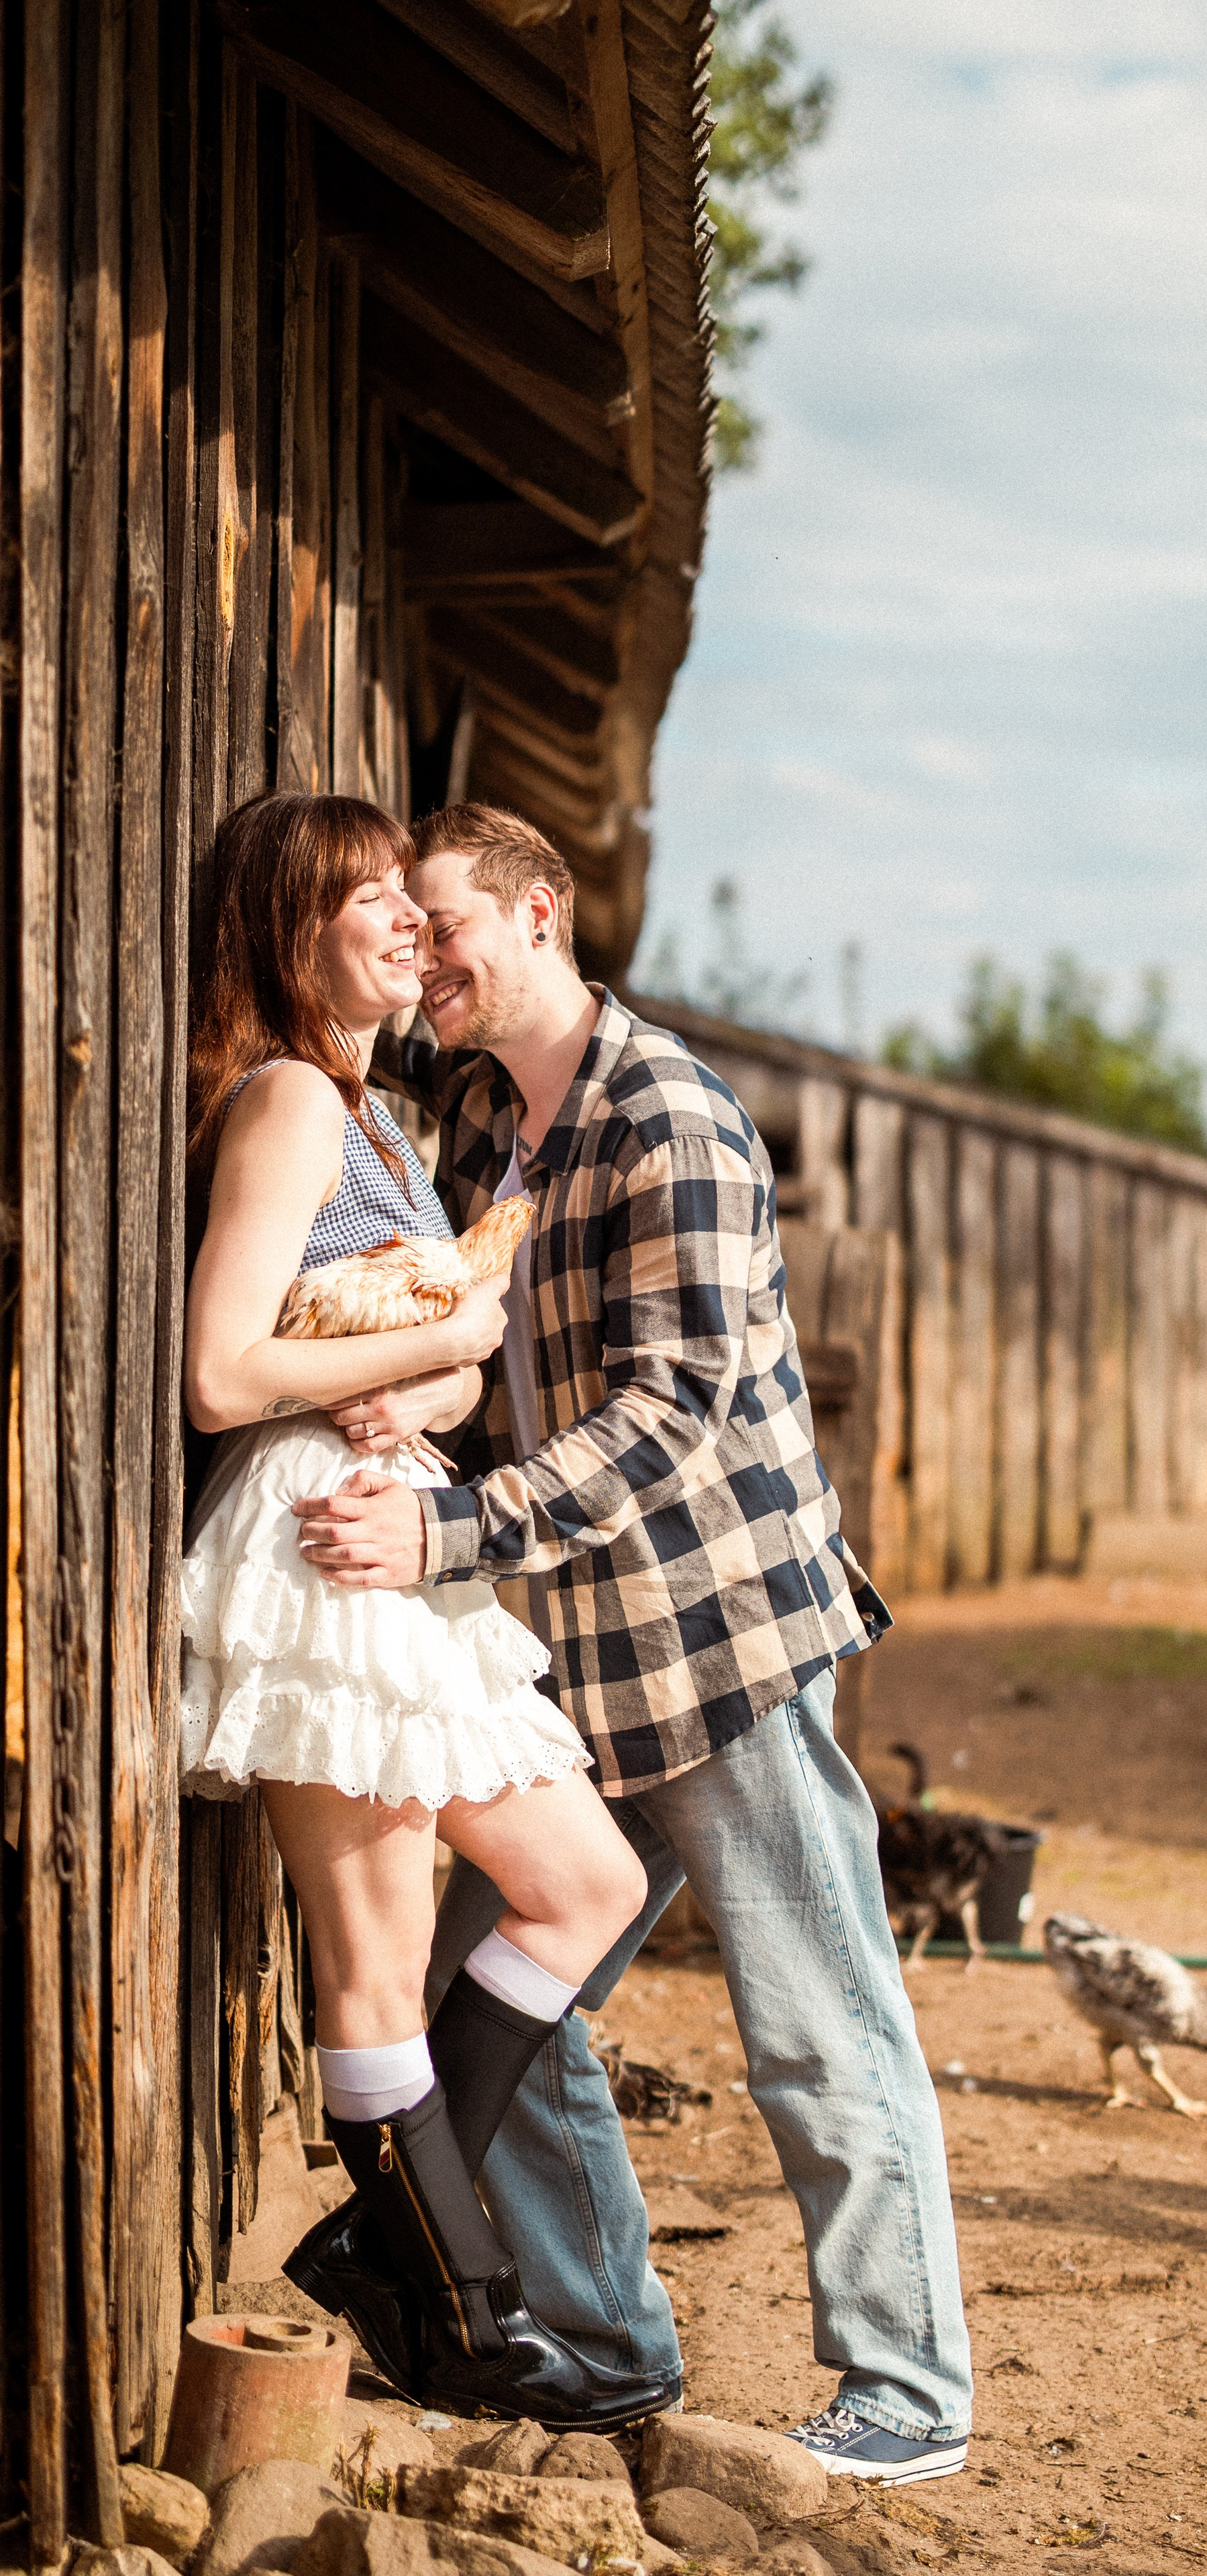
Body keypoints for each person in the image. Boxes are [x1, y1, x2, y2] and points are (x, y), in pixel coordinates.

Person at [291, 802, 974, 2485]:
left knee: (818, 2016)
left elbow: (671, 1414)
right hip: (563, 1661)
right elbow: (459, 1322)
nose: (430, 958)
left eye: (447, 925)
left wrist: (451, 1525)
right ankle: (602, 2342)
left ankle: (908, 2388)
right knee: (490, 1995)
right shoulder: (470, 1115)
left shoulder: (665, 1114)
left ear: (539, 915)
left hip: (715, 1642)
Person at [180, 791, 678, 2431]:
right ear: (287, 930)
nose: (409, 921)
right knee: (379, 1957)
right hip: (324, 1546)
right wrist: (419, 1360)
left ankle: (383, 2243)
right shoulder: (284, 1103)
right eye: (369, 899)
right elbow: (223, 1371)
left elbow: (434, 1346)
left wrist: (444, 1376)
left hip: (402, 1530)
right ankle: (456, 2307)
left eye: (416, 896)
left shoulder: (381, 1115)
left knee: (585, 1880)